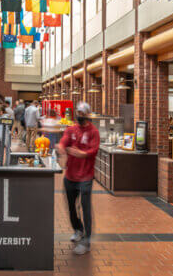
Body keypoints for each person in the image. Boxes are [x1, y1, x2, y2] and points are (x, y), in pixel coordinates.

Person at [56, 102, 100, 255]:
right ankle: (78, 229)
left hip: (86, 176)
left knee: (85, 207)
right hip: (70, 176)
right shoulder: (71, 129)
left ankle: (87, 241)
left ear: (87, 114)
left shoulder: (93, 132)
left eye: (82, 113)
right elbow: (63, 142)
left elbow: (91, 152)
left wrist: (78, 153)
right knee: (71, 207)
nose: (79, 115)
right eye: (78, 112)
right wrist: (62, 148)